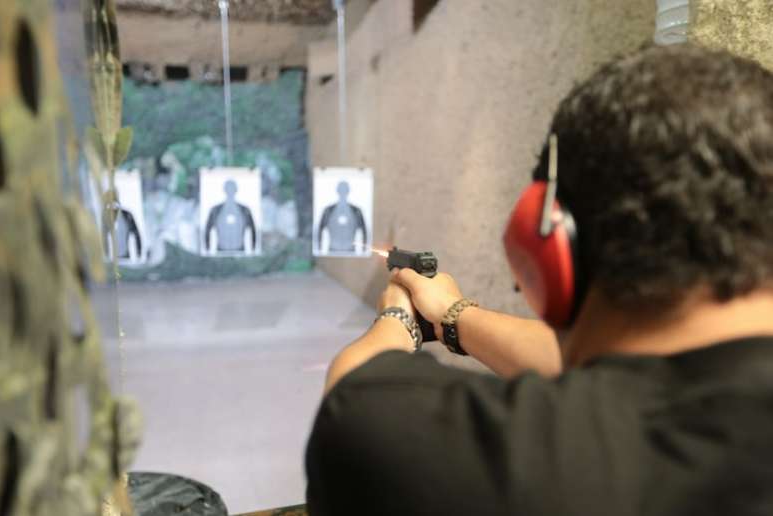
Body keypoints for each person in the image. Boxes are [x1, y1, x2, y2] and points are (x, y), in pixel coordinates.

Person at [305, 45, 773, 515]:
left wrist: (397, 315)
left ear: (545, 249)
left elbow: (354, 400)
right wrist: (451, 315)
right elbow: (633, 376)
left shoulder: (545, 464)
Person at [204, 179, 257, 254]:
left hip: (239, 250)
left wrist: (253, 249)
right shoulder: (215, 210)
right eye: (228, 189)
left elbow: (253, 230)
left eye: (232, 189)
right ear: (224, 190)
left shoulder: (245, 210)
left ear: (236, 190)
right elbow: (207, 229)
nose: (230, 191)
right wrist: (207, 249)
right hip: (221, 251)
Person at [317, 180, 368, 254]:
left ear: (348, 191)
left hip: (351, 251)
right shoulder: (328, 211)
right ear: (337, 191)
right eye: (341, 190)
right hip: (332, 250)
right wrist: (319, 249)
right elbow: (320, 229)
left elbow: (364, 231)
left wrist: (364, 250)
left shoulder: (356, 211)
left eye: (344, 190)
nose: (343, 193)